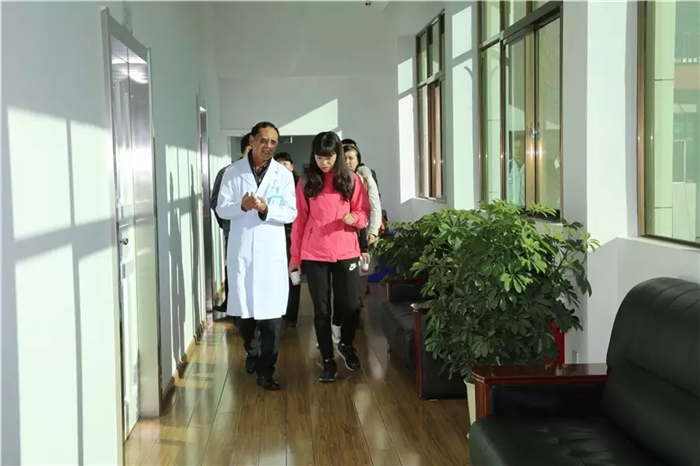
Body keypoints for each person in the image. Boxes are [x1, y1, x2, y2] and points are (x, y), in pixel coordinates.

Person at [216, 122, 297, 390]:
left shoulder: (283, 175)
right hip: (242, 251)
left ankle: (266, 370)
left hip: (271, 254)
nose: (268, 146)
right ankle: (251, 350)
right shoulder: (232, 172)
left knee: (272, 318)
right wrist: (241, 206)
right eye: (263, 140)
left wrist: (266, 209)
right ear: (252, 141)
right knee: (245, 315)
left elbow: (291, 212)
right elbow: (221, 208)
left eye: (273, 142)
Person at [290, 131, 371, 383]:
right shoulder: (306, 182)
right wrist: (295, 257)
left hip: (346, 251)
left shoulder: (352, 180)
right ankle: (327, 360)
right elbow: (299, 221)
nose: (324, 162)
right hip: (315, 253)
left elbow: (364, 212)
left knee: (351, 305)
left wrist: (354, 218)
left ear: (338, 155)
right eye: (319, 157)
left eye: (329, 157)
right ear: (313, 156)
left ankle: (345, 343)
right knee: (322, 310)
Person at [210, 134, 252, 317]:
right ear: (247, 148)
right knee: (235, 269)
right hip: (234, 231)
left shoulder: (268, 174)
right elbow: (215, 202)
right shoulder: (227, 172)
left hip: (260, 233)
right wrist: (225, 223)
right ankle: (235, 310)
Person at [273, 152, 301, 328]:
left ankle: (291, 315)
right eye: (279, 164)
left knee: (293, 273)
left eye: (286, 163)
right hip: (276, 232)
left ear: (292, 166)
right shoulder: (271, 183)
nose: (282, 167)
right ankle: (277, 312)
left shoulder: (300, 184)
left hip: (294, 234)